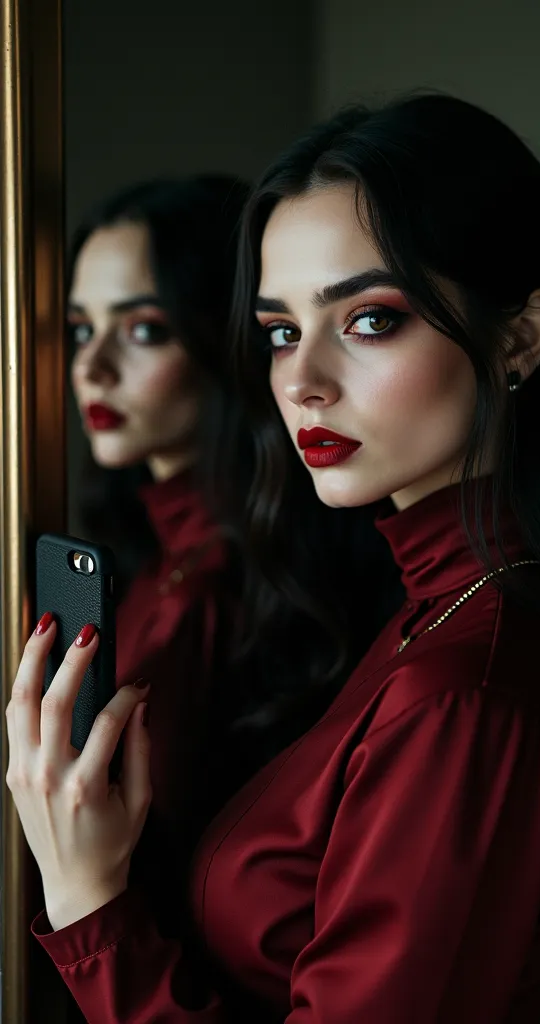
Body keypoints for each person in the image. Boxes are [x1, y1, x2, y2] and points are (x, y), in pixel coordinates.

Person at [7, 95, 540, 1023]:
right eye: (282, 330)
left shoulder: (466, 696)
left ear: (520, 336)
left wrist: (92, 907)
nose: (301, 379)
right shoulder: (430, 619)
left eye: (368, 319)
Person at [61, 176, 252, 927]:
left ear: (221, 335)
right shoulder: (137, 563)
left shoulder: (233, 589)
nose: (93, 367)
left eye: (143, 329)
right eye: (81, 329)